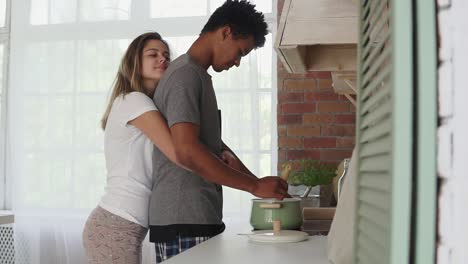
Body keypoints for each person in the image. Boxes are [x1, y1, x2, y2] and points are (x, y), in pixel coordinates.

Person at [81, 32, 242, 264]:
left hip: (124, 224)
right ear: (134, 62)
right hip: (115, 225)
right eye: (152, 54)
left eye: (166, 55)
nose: (162, 59)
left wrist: (219, 153)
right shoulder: (133, 101)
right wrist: (242, 180)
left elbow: (190, 139)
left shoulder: (152, 106)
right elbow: (181, 152)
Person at [149, 1, 289, 262]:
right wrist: (255, 186)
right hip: (183, 217)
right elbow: (187, 151)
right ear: (226, 32)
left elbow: (215, 146)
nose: (237, 62)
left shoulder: (197, 75)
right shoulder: (185, 76)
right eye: (240, 52)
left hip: (196, 216)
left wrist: (259, 183)